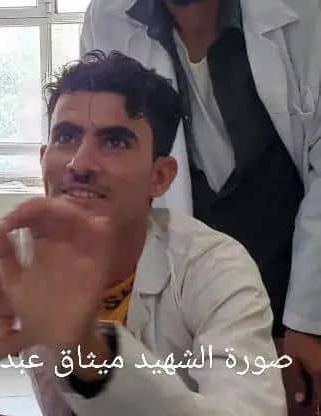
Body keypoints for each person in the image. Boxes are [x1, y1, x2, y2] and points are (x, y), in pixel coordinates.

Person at [0, 52, 286, 415]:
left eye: (115, 142)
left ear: (160, 176)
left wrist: (90, 350)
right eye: (66, 136)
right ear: (43, 158)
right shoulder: (17, 257)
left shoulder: (213, 269)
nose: (80, 163)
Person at [80, 0, 321, 410]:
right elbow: (106, 154)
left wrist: (308, 320)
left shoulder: (305, 14)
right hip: (182, 289)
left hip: (292, 281)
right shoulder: (109, 17)